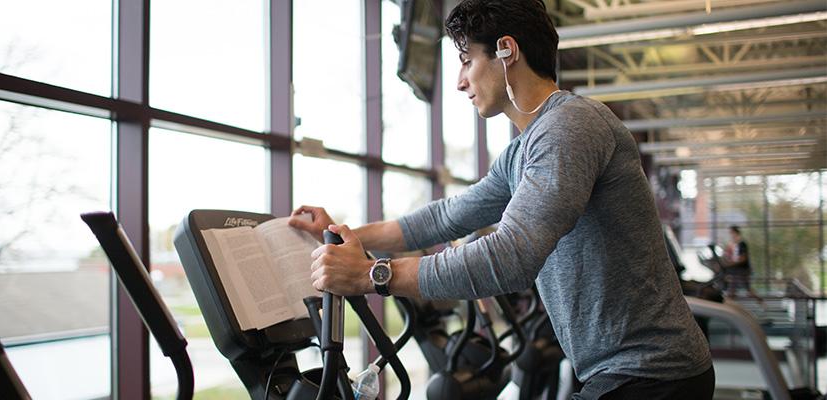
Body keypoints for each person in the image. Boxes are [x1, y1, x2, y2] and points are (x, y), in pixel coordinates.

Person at [289, 0, 714, 398]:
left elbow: (513, 256)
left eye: (466, 61)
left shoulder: (569, 127)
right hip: (626, 372)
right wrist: (340, 235)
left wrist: (372, 276)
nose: (459, 82)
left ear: (507, 51)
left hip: (653, 375)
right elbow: (445, 218)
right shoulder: (523, 150)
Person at [723, 225, 762, 303]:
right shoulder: (733, 244)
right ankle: (729, 306)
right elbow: (731, 256)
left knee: (745, 290)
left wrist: (730, 263)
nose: (730, 235)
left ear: (735, 233)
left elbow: (743, 259)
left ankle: (762, 303)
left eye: (731, 233)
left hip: (741, 271)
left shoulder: (742, 244)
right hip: (736, 270)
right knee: (733, 290)